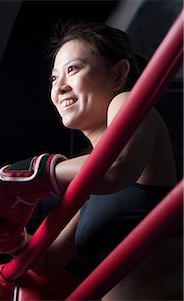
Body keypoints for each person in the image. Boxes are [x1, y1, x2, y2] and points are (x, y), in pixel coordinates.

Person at [27, 21, 182, 300]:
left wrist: (27, 177)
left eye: (72, 69)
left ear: (118, 75)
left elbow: (116, 168)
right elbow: (46, 263)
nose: (59, 87)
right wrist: (4, 233)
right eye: (53, 78)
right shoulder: (88, 175)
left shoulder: (129, 101)